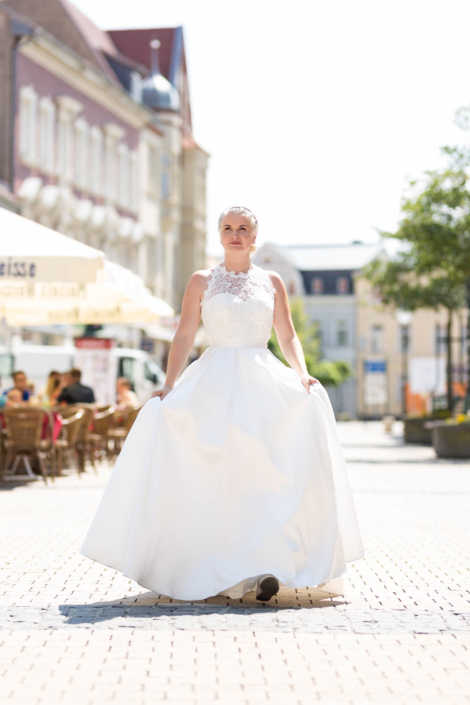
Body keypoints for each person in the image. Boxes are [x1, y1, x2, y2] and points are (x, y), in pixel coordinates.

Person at [80, 206, 364, 603]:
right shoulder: (201, 281)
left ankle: (265, 567)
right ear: (219, 235)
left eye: (242, 228)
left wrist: (301, 373)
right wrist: (169, 386)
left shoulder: (273, 281)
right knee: (215, 472)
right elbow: (182, 337)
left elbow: (287, 334)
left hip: (263, 380)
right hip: (213, 381)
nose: (235, 234)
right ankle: (227, 572)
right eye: (228, 228)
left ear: (254, 237)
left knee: (265, 472)